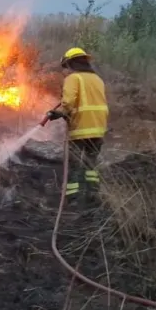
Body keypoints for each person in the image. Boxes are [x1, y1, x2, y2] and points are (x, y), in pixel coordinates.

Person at [45, 47, 109, 207]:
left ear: (71, 64)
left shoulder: (73, 79)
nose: (66, 71)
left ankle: (72, 200)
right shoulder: (97, 79)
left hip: (81, 127)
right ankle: (93, 194)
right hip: (99, 127)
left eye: (66, 66)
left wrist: (57, 114)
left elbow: (68, 103)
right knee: (91, 163)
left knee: (74, 164)